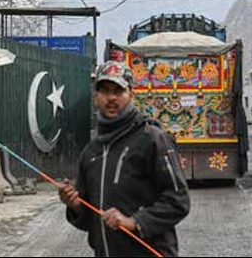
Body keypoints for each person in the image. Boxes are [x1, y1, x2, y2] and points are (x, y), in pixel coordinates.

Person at [59, 61, 190, 257]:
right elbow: (91, 222)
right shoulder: (91, 152)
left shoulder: (152, 138)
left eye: (118, 91)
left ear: (131, 94)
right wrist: (75, 206)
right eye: (104, 91)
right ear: (95, 97)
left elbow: (178, 200)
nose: (111, 98)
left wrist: (135, 222)